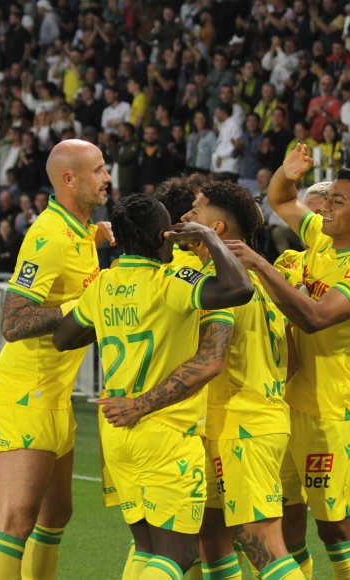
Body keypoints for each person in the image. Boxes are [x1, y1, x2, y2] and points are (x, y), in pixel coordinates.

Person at [54, 194, 254, 580]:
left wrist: (115, 321)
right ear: (165, 236)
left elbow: (64, 337)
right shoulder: (170, 281)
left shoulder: (104, 283)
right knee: (177, 555)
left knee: (147, 548)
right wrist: (209, 240)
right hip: (165, 431)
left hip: (116, 433)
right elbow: (239, 289)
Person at [225, 145, 350, 579]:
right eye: (327, 199)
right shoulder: (319, 239)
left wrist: (260, 264)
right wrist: (288, 170)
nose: (328, 208)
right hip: (283, 407)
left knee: (336, 530)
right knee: (286, 527)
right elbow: (282, 198)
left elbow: (315, 318)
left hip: (330, 414)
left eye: (339, 201)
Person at [0, 139, 114, 580]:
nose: (107, 177)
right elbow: (13, 322)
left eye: (105, 167)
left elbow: (75, 265)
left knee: (57, 513)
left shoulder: (79, 228)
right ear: (69, 180)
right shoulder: (48, 236)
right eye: (97, 170)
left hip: (55, 391)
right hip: (26, 389)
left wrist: (97, 236)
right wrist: (85, 306)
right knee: (16, 518)